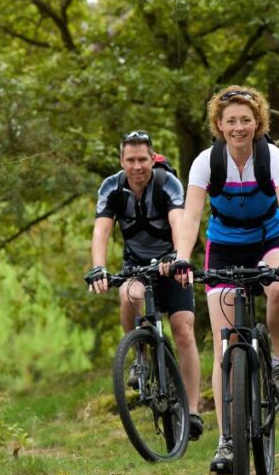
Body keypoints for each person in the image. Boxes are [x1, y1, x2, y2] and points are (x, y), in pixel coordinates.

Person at [170, 86, 279, 475]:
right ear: (219, 124)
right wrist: (182, 258)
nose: (238, 127)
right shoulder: (205, 162)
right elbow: (192, 216)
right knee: (224, 344)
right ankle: (227, 440)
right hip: (226, 246)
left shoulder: (273, 158)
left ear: (258, 122)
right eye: (230, 120)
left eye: (246, 119)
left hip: (269, 239)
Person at [85, 130, 204, 441]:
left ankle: (192, 410)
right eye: (130, 160)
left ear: (153, 158)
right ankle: (139, 356)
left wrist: (180, 258)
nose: (137, 166)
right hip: (136, 267)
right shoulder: (112, 187)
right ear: (122, 161)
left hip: (171, 265)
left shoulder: (167, 183)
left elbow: (179, 222)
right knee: (127, 295)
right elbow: (102, 230)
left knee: (183, 330)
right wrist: (98, 267)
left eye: (142, 159)